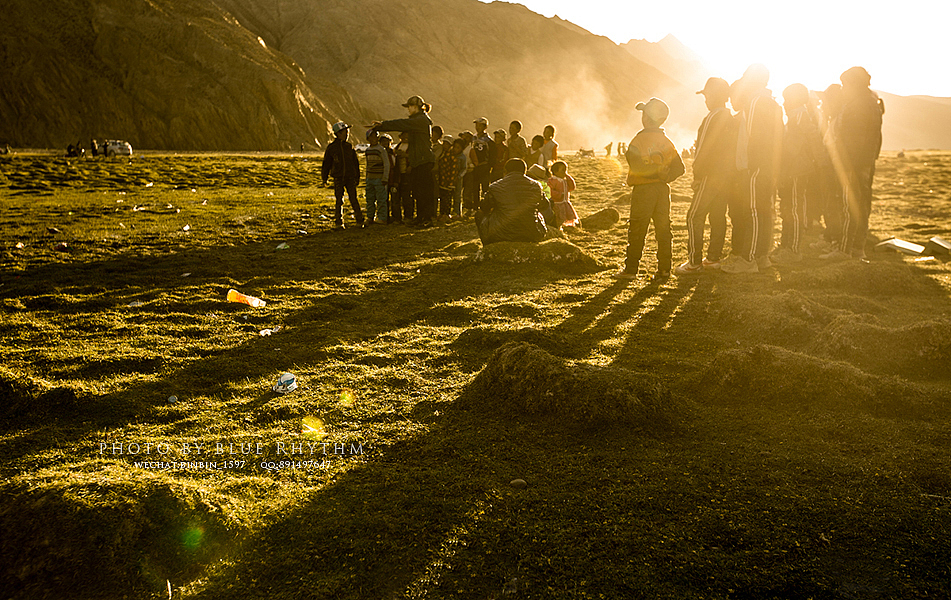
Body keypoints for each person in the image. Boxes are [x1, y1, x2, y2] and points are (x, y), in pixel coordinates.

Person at [721, 65, 784, 274]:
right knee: (765, 212)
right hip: (769, 165)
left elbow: (755, 137)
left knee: (754, 212)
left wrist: (750, 165)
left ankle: (748, 259)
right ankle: (762, 256)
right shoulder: (772, 103)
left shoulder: (756, 102)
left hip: (758, 165)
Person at [615, 98, 685, 281]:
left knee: (637, 228)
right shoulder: (667, 142)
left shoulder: (638, 140)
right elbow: (680, 168)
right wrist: (664, 177)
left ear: (646, 118)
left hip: (643, 191)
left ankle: (631, 269)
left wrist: (651, 174)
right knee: (663, 229)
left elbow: (636, 167)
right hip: (662, 191)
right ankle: (664, 269)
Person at [676, 77, 737, 274]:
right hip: (726, 177)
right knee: (718, 216)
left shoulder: (712, 117)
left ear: (714, 96)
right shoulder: (731, 117)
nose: (705, 99)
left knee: (694, 215)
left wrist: (698, 176)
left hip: (710, 175)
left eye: (707, 95)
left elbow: (703, 150)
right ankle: (713, 258)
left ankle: (693, 262)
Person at [824, 66, 884, 261]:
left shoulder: (858, 104)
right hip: (864, 163)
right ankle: (857, 248)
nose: (842, 89)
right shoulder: (871, 102)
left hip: (853, 163)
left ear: (853, 84)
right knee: (861, 205)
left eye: (844, 85)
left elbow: (854, 140)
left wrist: (845, 163)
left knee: (850, 205)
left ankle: (845, 250)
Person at [774, 83, 823, 263]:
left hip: (796, 171)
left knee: (793, 209)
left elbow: (807, 143)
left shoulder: (800, 118)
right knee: (788, 208)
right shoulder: (798, 117)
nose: (784, 103)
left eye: (787, 99)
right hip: (793, 170)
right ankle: (785, 246)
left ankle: (793, 250)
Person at [370, 95, 437, 227]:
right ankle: (421, 218)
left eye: (410, 107)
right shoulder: (418, 120)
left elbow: (401, 123)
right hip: (419, 161)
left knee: (423, 192)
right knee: (418, 191)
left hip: (423, 161)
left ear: (416, 107)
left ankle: (426, 219)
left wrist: (383, 125)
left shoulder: (420, 120)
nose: (408, 109)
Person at [475, 158, 549, 246]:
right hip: (531, 234)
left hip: (501, 234)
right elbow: (545, 205)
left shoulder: (495, 187)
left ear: (505, 171)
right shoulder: (536, 186)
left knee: (479, 215)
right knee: (538, 214)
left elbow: (484, 208)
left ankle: (487, 245)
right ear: (525, 171)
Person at [321, 122, 364, 229]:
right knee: (339, 200)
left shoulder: (349, 147)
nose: (347, 134)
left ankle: (359, 220)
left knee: (353, 198)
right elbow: (326, 164)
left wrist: (356, 177)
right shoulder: (332, 148)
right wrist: (324, 178)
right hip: (338, 177)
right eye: (345, 132)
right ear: (338, 133)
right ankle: (339, 222)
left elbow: (355, 163)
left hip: (350, 177)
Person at [363, 130, 390, 226]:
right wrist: (366, 177)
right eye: (371, 137)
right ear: (368, 139)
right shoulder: (368, 150)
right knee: (370, 199)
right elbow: (367, 165)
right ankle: (370, 217)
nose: (373, 139)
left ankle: (382, 218)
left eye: (375, 137)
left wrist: (385, 178)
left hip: (379, 178)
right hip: (370, 178)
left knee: (381, 199)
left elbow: (386, 164)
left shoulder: (381, 150)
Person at [437, 138, 466, 223]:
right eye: (455, 147)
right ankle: (445, 213)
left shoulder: (462, 157)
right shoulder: (449, 155)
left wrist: (459, 176)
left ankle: (457, 212)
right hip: (448, 179)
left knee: (457, 195)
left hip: (457, 179)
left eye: (458, 148)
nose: (456, 149)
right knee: (447, 196)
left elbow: (464, 168)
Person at [471, 117, 496, 209]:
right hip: (475, 166)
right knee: (475, 188)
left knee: (485, 188)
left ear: (485, 127)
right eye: (476, 125)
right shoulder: (473, 138)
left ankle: (486, 206)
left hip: (484, 166)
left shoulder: (488, 141)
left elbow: (492, 155)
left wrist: (489, 165)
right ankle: (475, 206)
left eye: (479, 125)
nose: (477, 127)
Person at [548, 160, 580, 228]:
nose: (564, 173)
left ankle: (564, 226)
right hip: (557, 203)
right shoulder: (553, 180)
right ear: (556, 172)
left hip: (565, 202)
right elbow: (550, 190)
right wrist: (560, 194)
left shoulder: (565, 181)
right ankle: (558, 227)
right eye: (562, 171)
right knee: (559, 217)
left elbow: (572, 187)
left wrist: (568, 177)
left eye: (566, 170)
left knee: (566, 216)